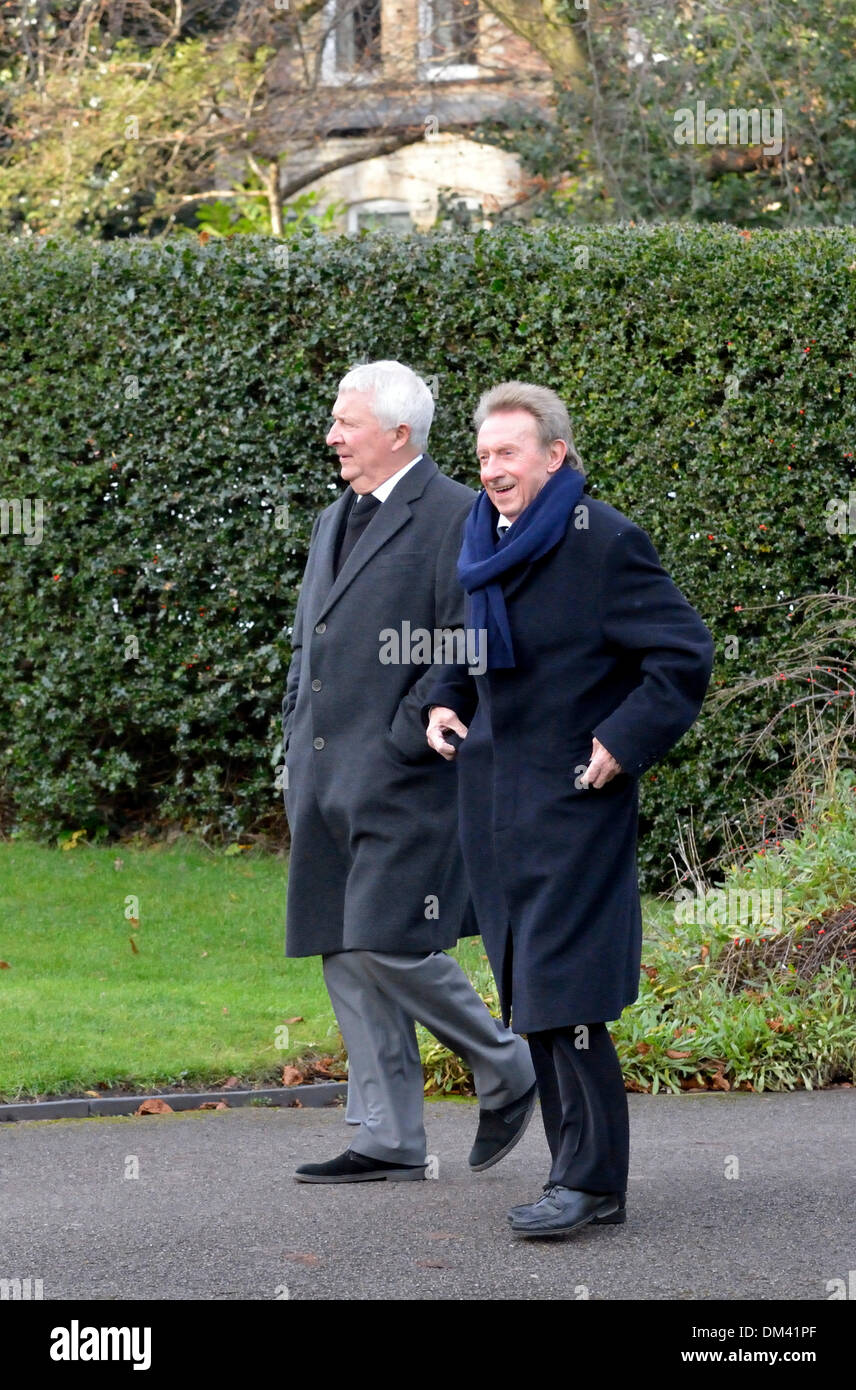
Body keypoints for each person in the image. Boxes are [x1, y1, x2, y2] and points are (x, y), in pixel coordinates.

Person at [425, 382, 715, 1235]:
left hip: (575, 800)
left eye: (508, 453)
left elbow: (682, 655)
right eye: (482, 455)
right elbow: (464, 646)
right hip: (495, 807)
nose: (491, 469)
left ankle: (587, 1183)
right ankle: (584, 1181)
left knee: (566, 994)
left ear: (555, 455)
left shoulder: (606, 542)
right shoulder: (484, 540)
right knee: (532, 994)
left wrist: (621, 743)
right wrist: (443, 701)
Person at [281, 361, 536, 1184]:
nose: (331, 436)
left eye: (344, 423)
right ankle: (389, 1136)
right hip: (321, 774)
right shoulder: (333, 517)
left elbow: (466, 637)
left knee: (389, 940)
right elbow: (309, 643)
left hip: (403, 774)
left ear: (398, 433)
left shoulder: (458, 513)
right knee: (342, 948)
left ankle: (507, 1063)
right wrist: (295, 731)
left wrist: (401, 736)